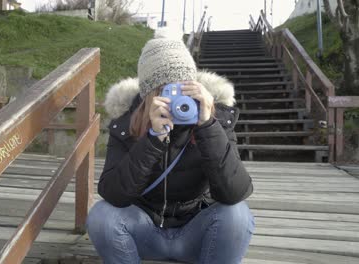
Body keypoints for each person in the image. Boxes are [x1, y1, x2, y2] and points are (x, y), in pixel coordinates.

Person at [86, 28, 255, 264]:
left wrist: (207, 126)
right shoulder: (126, 125)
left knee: (237, 216)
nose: (178, 102)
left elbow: (236, 192)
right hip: (145, 232)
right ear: (148, 95)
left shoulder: (216, 120)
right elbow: (113, 195)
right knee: (101, 216)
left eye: (184, 89)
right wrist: (153, 138)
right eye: (167, 91)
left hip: (196, 232)